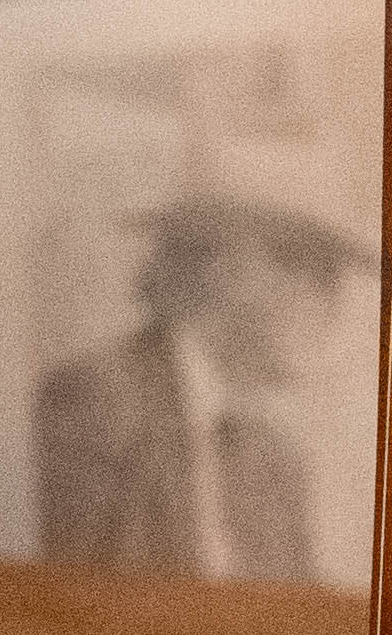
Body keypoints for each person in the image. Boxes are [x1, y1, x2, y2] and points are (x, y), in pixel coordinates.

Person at [36, 189, 370, 579]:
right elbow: (74, 603)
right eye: (304, 266)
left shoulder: (272, 454)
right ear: (224, 271)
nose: (331, 303)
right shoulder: (95, 401)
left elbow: (296, 610)